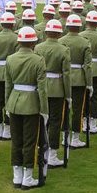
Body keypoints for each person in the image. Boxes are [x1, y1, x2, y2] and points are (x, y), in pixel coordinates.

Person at [5, 26, 48, 189]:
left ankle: (17, 177)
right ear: (33, 42)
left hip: (14, 102)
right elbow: (42, 89)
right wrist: (44, 110)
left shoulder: (11, 59)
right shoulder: (38, 60)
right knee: (29, 141)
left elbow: (9, 85)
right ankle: (27, 177)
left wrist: (8, 104)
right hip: (31, 104)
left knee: (16, 140)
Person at [34, 19, 70, 167]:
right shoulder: (63, 49)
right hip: (56, 89)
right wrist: (68, 95)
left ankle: (40, 149)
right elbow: (66, 74)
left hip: (40, 88)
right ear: (60, 32)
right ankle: (53, 154)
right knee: (55, 121)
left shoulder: (38, 48)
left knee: (41, 120)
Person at [61, 14, 92, 149]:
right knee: (77, 109)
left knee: (63, 109)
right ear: (79, 26)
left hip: (62, 80)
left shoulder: (61, 41)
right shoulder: (85, 42)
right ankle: (74, 137)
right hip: (79, 79)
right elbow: (87, 66)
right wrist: (89, 83)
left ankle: (63, 136)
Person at [0, 11, 18, 140]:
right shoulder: (16, 37)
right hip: (11, 71)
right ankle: (7, 127)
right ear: (12, 24)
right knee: (9, 100)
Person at [79, 11, 97, 134]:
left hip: (82, 71)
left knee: (84, 97)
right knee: (96, 97)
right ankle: (93, 122)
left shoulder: (80, 35)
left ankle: (84, 121)